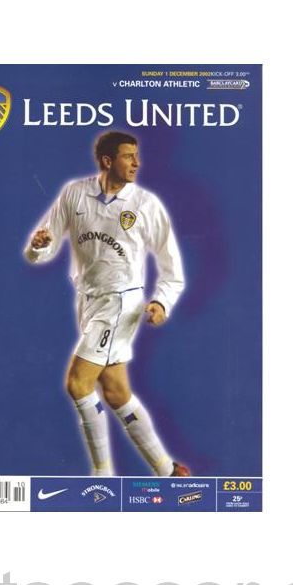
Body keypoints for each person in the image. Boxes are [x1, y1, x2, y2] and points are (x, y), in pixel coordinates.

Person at [24, 131, 190, 477]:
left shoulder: (145, 205)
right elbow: (45, 245)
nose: (137, 163)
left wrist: (162, 301)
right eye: (129, 156)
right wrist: (39, 246)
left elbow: (172, 265)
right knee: (115, 392)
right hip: (87, 300)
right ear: (107, 161)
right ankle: (167, 469)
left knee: (78, 383)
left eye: (137, 156)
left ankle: (103, 476)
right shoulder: (75, 193)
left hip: (120, 303)